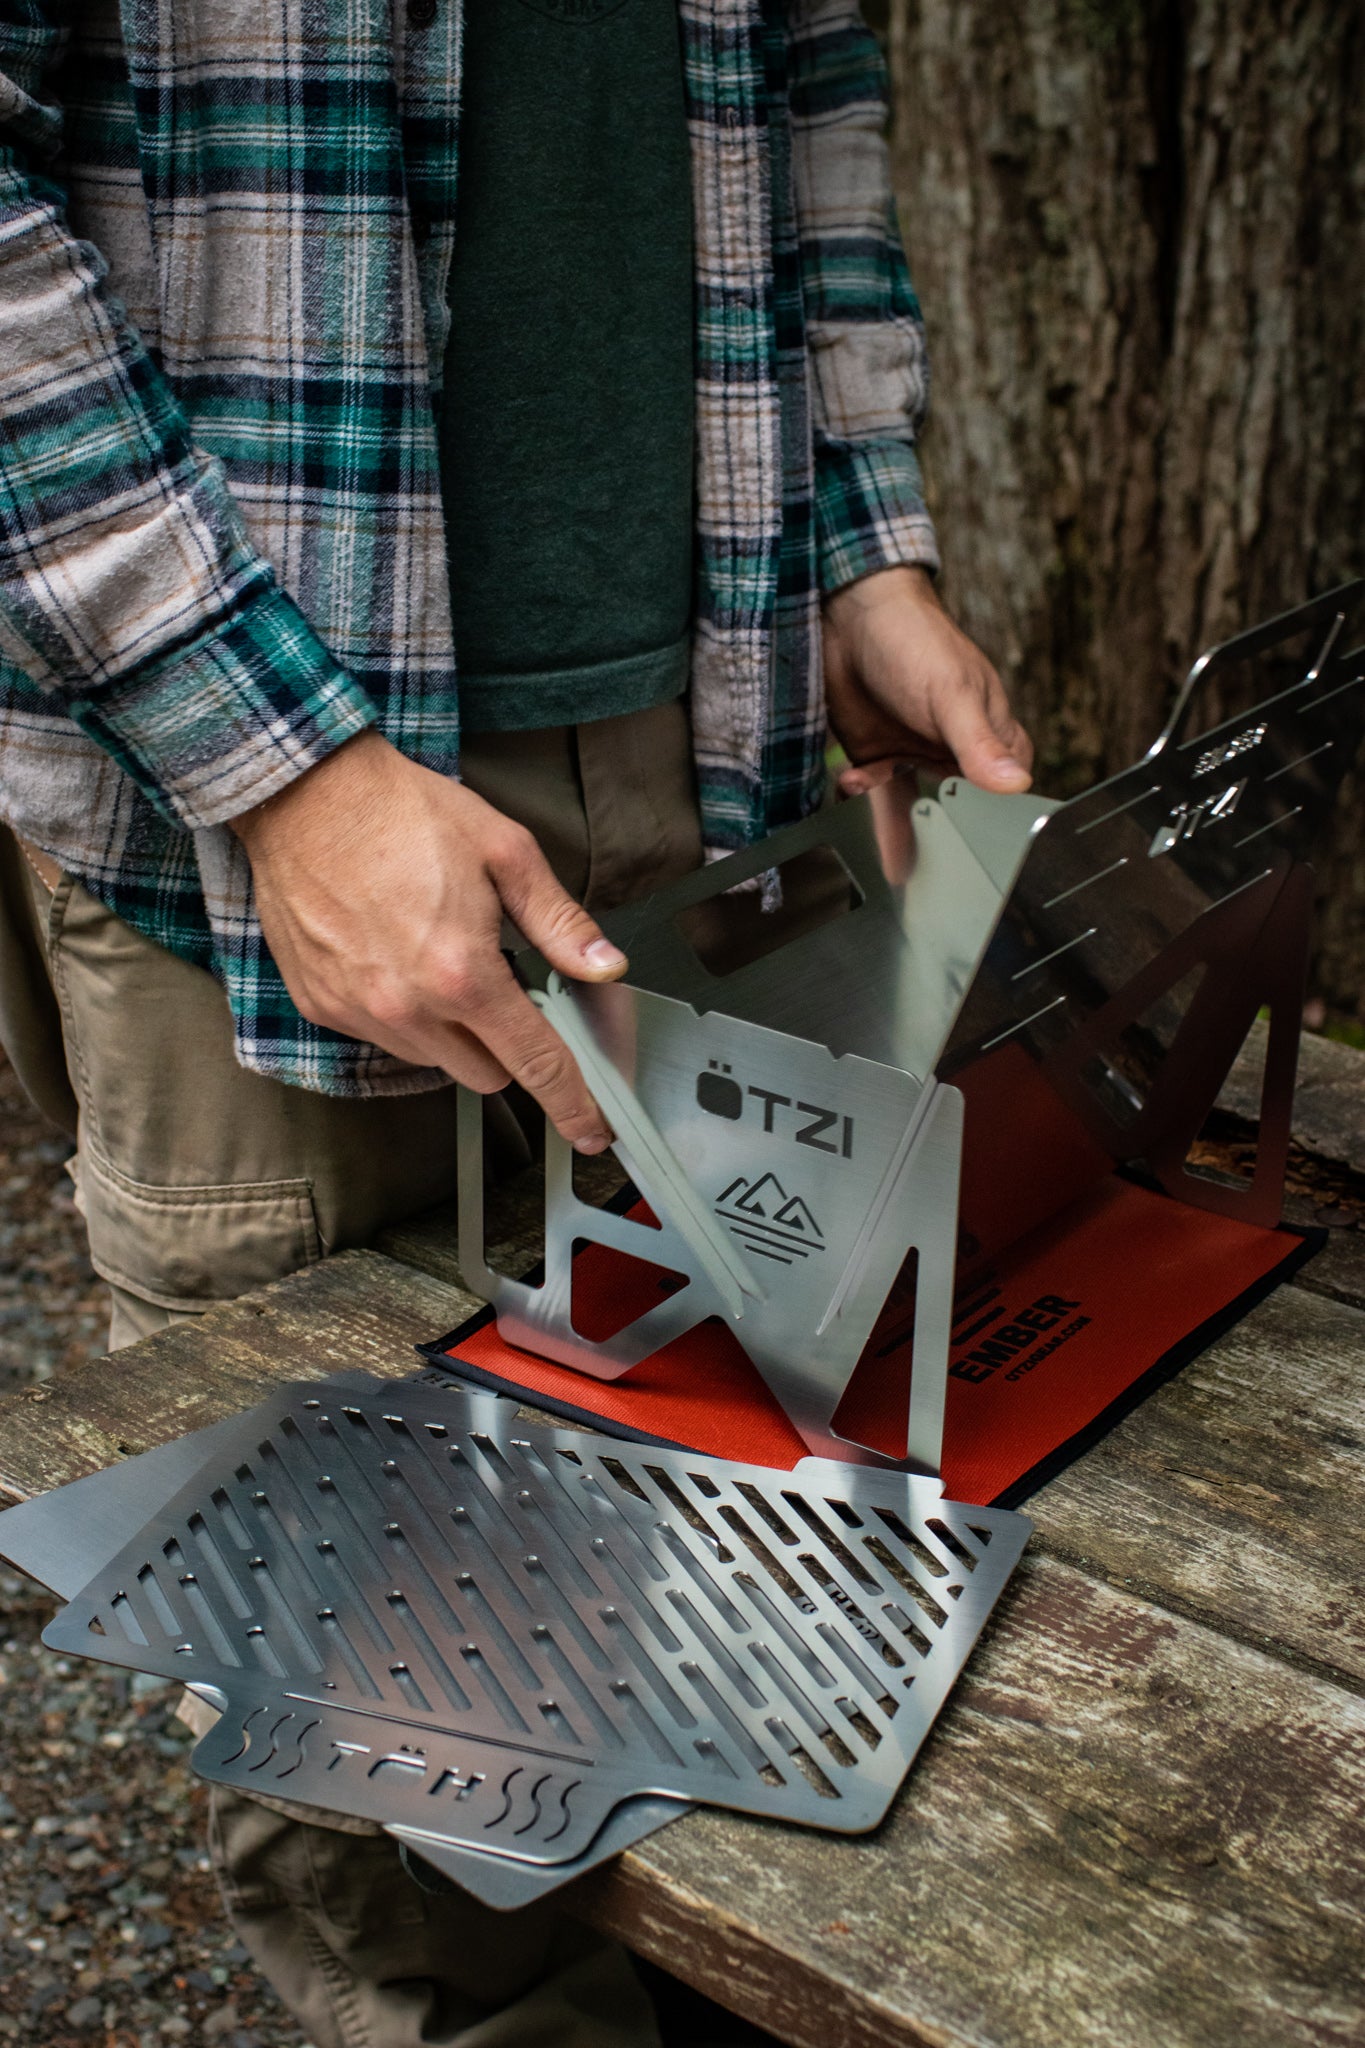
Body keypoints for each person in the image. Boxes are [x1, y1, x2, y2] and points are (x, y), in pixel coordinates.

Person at [0, 0, 1033, 2040]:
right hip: (246, 793)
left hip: (705, 730)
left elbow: (801, 86)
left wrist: (859, 545)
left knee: (744, 1547)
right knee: (380, 1729)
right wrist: (272, 761)